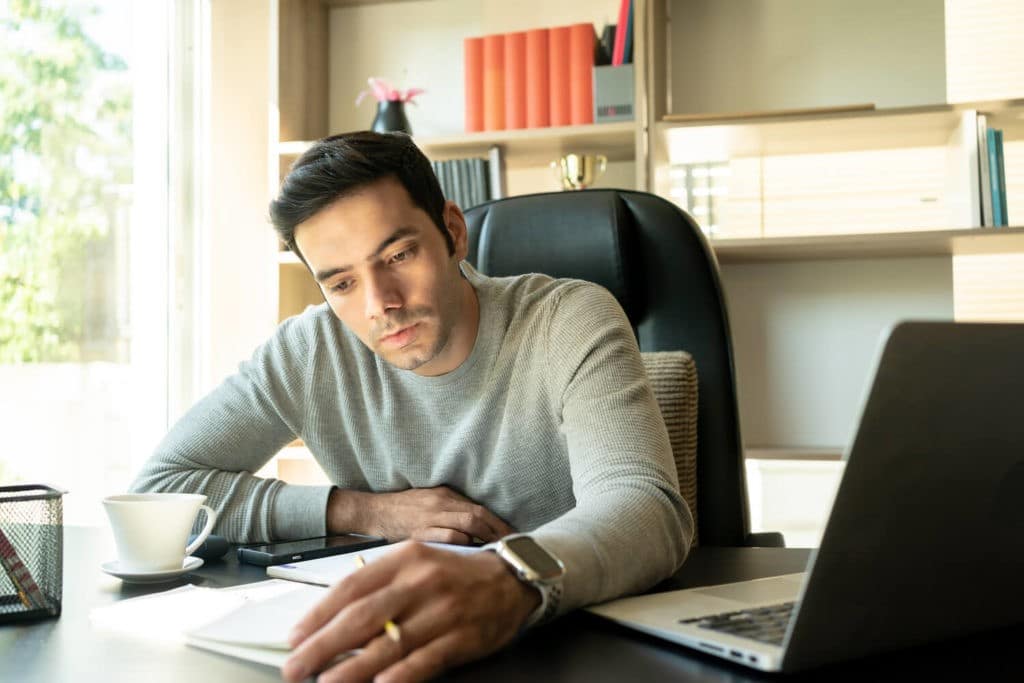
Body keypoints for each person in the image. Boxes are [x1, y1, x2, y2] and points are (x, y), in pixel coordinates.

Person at [130, 131, 693, 682]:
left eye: (398, 254)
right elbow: (160, 490)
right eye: (343, 283)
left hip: (574, 651)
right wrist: (367, 512)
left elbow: (646, 508)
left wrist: (512, 576)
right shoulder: (310, 351)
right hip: (406, 647)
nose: (381, 305)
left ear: (452, 231)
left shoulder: (568, 319)